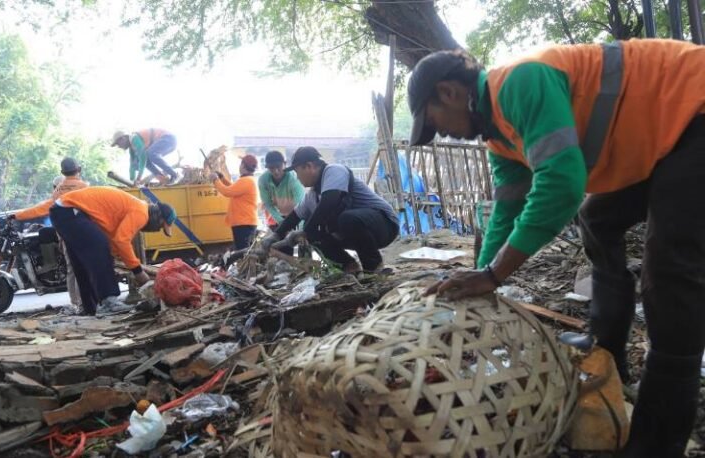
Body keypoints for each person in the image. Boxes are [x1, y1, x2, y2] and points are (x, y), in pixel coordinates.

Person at [407, 41, 705, 457]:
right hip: (662, 138)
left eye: (436, 123)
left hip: (694, 109)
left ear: (449, 92)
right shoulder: (499, 139)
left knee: (671, 271)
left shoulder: (521, 82)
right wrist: (478, 280)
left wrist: (494, 275)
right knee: (598, 220)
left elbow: (561, 187)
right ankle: (609, 353)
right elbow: (507, 212)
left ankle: (658, 439)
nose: (442, 133)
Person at [14, 186, 176, 315]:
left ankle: (89, 307)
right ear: (158, 216)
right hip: (71, 211)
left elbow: (114, 238)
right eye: (161, 226)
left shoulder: (134, 206)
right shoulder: (141, 212)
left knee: (82, 261)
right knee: (99, 247)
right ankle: (109, 301)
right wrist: (137, 271)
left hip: (63, 212)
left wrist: (111, 259)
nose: (156, 230)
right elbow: (121, 240)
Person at [263, 146, 399, 274]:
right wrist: (275, 236)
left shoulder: (334, 171)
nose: (297, 178)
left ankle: (374, 267)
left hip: (385, 225)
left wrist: (305, 231)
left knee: (345, 219)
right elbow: (293, 217)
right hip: (360, 234)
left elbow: (330, 201)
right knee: (313, 234)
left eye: (297, 172)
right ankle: (348, 266)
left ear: (309, 166)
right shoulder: (312, 195)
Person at [16, 157, 89, 311]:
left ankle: (76, 302)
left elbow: (43, 210)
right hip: (82, 234)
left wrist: (18, 215)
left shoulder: (57, 192)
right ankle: (85, 302)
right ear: (79, 170)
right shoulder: (83, 187)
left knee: (72, 268)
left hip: (64, 236)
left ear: (62, 172)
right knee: (84, 267)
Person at [211, 155, 259, 250]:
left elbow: (227, 192)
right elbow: (233, 188)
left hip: (244, 223)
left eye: (241, 163)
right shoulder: (248, 180)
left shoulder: (246, 181)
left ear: (243, 166)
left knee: (243, 253)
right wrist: (222, 178)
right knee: (244, 252)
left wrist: (215, 180)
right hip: (245, 222)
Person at [111, 129, 179, 185]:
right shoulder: (132, 148)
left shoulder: (134, 138)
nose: (119, 146)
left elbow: (143, 158)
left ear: (123, 138)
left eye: (118, 143)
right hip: (166, 143)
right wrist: (132, 181)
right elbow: (132, 166)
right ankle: (163, 178)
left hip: (168, 138)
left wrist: (139, 178)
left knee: (150, 154)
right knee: (144, 160)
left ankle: (175, 175)